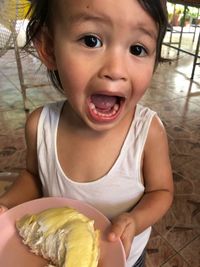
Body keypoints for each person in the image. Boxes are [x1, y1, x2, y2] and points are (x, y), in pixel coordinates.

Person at [0, 0, 174, 266]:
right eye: (91, 41)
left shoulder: (147, 132)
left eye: (137, 48)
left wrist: (135, 219)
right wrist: (8, 204)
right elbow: (34, 177)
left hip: (127, 258)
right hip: (61, 254)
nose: (116, 70)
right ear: (49, 47)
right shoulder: (41, 126)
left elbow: (161, 191)